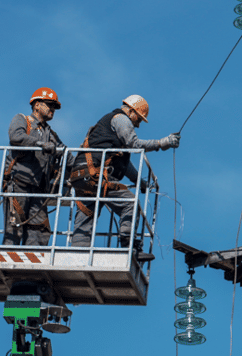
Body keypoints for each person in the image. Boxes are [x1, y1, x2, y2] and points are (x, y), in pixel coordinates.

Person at [68, 94, 179, 259]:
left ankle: (77, 255)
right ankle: (129, 247)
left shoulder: (109, 131)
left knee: (86, 215)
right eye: (139, 119)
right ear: (132, 112)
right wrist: (161, 143)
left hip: (81, 176)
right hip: (94, 175)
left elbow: (123, 165)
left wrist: (138, 181)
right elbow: (134, 144)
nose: (138, 124)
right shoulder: (121, 119)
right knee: (129, 204)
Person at [3, 87, 66, 246]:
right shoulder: (22, 119)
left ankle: (32, 267)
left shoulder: (51, 135)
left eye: (54, 107)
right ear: (37, 105)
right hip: (18, 185)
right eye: (49, 104)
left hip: (38, 190)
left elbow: (66, 155)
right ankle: (9, 266)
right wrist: (39, 144)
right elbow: (16, 137)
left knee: (39, 231)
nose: (52, 109)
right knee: (14, 229)